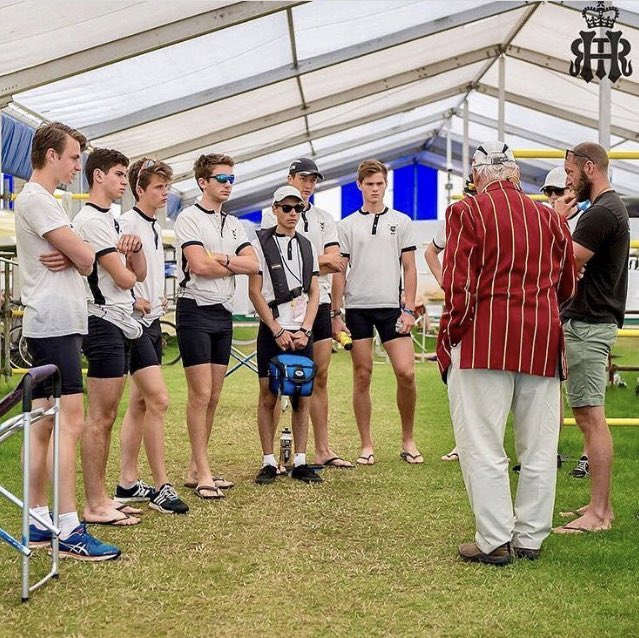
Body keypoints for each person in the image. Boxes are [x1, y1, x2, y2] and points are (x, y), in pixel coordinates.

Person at [437, 141, 576, 564]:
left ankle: (494, 538)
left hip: (485, 340)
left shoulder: (467, 212)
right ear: (516, 175)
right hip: (541, 342)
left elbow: (458, 285)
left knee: (482, 441)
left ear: (478, 178)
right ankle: (530, 537)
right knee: (538, 446)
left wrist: (451, 336)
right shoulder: (550, 218)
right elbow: (568, 284)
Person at [15, 123, 120, 560]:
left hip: (55, 322)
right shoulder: (38, 199)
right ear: (51, 155)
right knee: (67, 424)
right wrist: (80, 254)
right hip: (55, 324)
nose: (78, 166)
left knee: (43, 426)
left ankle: (38, 521)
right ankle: (67, 526)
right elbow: (84, 258)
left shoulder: (45, 201)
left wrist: (80, 256)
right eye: (74, 157)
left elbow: (82, 260)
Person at [553, 143, 630, 534]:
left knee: (590, 417)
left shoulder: (600, 212)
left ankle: (599, 513)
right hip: (589, 322)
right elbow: (569, 264)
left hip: (588, 324)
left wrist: (555, 223)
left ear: (589, 168)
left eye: (570, 172)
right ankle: (598, 506)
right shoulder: (608, 208)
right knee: (587, 417)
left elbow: (561, 261)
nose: (567, 181)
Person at [175, 153, 259, 500]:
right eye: (221, 179)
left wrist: (221, 258)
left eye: (231, 179)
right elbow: (198, 266)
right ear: (202, 182)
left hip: (222, 312)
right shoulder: (188, 217)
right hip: (194, 309)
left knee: (215, 395)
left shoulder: (235, 223)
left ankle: (198, 469)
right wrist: (229, 263)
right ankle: (203, 471)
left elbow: (253, 265)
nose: (227, 185)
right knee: (201, 394)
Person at [261, 158, 352, 468]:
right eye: (303, 178)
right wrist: (316, 263)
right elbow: (274, 260)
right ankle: (270, 458)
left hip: (319, 303)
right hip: (282, 308)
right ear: (290, 178)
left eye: (313, 179)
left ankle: (322, 450)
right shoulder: (270, 212)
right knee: (274, 383)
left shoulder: (326, 218)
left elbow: (336, 261)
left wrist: (317, 264)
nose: (309, 184)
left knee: (316, 377)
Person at [73, 148, 147, 527]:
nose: (124, 182)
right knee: (99, 418)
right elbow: (123, 279)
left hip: (120, 321)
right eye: (119, 174)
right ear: (98, 176)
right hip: (102, 322)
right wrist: (128, 266)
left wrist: (131, 257)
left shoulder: (113, 221)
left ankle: (101, 497)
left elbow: (139, 270)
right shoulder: (90, 221)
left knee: (108, 415)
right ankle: (94, 502)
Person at [331, 159, 421, 466]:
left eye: (380, 184)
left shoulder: (402, 221)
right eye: (369, 184)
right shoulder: (346, 225)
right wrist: (335, 312)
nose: (375, 189)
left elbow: (409, 268)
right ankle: (366, 444)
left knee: (406, 374)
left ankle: (408, 440)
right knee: (362, 375)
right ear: (359, 186)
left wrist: (409, 308)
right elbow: (339, 273)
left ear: (386, 185)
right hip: (357, 310)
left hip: (391, 309)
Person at [114, 158, 189, 514]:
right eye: (158, 187)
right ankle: (161, 486)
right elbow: (105, 270)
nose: (165, 192)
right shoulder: (126, 223)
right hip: (133, 323)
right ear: (139, 189)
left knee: (140, 402)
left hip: (153, 321)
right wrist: (133, 298)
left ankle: (127, 483)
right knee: (158, 400)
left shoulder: (155, 225)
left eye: (166, 186)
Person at [249, 186, 322, 484]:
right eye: (287, 208)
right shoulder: (258, 243)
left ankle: (301, 461)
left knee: (302, 395)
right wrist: (276, 329)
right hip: (272, 329)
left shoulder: (307, 245)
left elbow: (315, 291)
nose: (293, 214)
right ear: (275, 208)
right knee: (269, 395)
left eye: (298, 209)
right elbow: (255, 291)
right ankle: (268, 460)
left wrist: (305, 329)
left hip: (302, 331)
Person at [540, 167, 589, 479]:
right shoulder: (546, 221)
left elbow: (572, 266)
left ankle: (587, 456)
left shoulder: (587, 221)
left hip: (585, 315)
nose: (555, 198)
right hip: (555, 313)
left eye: (560, 191)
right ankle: (552, 453)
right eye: (549, 192)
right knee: (552, 388)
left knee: (586, 395)